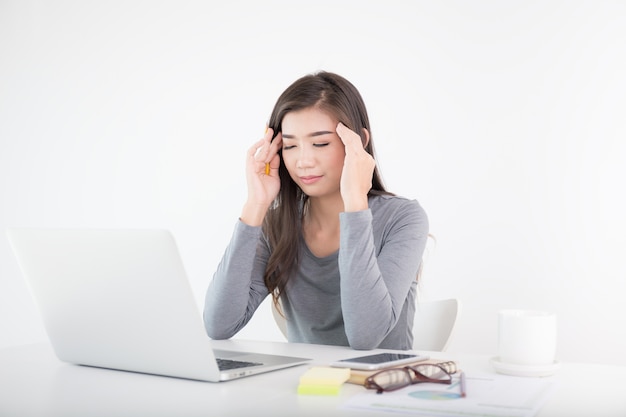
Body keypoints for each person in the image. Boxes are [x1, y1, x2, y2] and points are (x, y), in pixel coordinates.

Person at [203, 71, 429, 350]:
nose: (303, 161)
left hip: (378, 387)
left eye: (320, 143)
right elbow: (218, 325)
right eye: (290, 146)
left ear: (358, 142)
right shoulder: (277, 224)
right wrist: (256, 204)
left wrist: (355, 203)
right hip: (306, 386)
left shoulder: (402, 218)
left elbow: (365, 337)